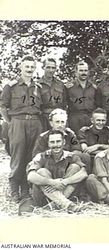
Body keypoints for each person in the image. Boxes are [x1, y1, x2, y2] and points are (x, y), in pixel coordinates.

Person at [0, 55, 43, 202]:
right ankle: (14, 191)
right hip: (17, 122)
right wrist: (10, 122)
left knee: (31, 156)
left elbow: (41, 107)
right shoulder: (11, 86)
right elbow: (3, 106)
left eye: (32, 67)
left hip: (35, 123)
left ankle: (25, 191)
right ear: (21, 67)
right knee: (17, 156)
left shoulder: (38, 87)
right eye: (27, 67)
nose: (29, 70)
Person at [26, 130, 88, 212]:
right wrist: (52, 182)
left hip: (66, 194)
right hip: (43, 198)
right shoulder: (41, 156)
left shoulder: (71, 156)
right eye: (52, 142)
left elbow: (84, 173)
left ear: (64, 142)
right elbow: (30, 177)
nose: (55, 145)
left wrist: (65, 181)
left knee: (75, 167)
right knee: (42, 172)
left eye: (58, 141)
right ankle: (66, 204)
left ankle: (55, 205)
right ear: (48, 144)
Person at [33, 108, 91, 174]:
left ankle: (83, 181)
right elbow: (37, 155)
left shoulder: (70, 135)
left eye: (62, 122)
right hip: (50, 164)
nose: (60, 125)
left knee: (84, 156)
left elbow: (77, 150)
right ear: (51, 123)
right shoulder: (43, 137)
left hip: (67, 163)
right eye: (57, 122)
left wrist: (66, 156)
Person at [66, 61, 98, 134]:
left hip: (90, 118)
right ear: (76, 72)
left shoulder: (94, 88)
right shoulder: (69, 87)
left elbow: (97, 104)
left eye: (85, 70)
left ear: (88, 72)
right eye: (81, 70)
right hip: (75, 119)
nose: (83, 73)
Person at [39, 58, 67, 131]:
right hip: (44, 118)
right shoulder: (37, 85)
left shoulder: (61, 84)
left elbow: (65, 102)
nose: (51, 70)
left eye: (53, 68)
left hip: (59, 117)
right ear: (43, 68)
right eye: (48, 67)